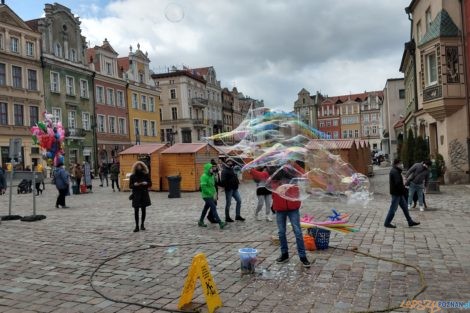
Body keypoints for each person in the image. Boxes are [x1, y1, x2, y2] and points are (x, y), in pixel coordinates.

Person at [270, 162, 310, 268]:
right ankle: (284, 254)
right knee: (281, 232)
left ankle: (303, 256)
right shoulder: (273, 178)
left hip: (293, 209)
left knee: (297, 232)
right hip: (279, 209)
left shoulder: (294, 177)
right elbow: (261, 176)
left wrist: (294, 164)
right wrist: (251, 170)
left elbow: (304, 174)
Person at [384, 159, 420, 228]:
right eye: (401, 163)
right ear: (397, 164)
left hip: (399, 193)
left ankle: (410, 221)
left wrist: (403, 189)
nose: (402, 165)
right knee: (393, 208)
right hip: (396, 193)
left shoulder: (396, 171)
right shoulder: (395, 172)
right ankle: (387, 223)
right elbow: (398, 183)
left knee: (405, 208)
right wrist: (404, 189)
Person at [198, 162, 225, 229]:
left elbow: (213, 186)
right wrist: (210, 193)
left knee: (206, 208)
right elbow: (203, 187)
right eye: (210, 168)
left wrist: (215, 194)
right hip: (206, 196)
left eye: (212, 168)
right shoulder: (204, 176)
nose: (212, 169)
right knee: (213, 208)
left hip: (211, 195)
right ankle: (220, 222)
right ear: (207, 169)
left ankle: (200, 221)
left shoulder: (212, 176)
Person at [129, 161, 152, 232]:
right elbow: (130, 186)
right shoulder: (132, 176)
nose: (139, 167)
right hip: (136, 194)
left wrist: (146, 183)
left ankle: (142, 224)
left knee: (143, 210)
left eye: (140, 166)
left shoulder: (146, 175)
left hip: (144, 194)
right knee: (136, 210)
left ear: (142, 167)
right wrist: (134, 185)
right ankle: (136, 226)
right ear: (135, 167)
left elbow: (150, 184)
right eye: (137, 166)